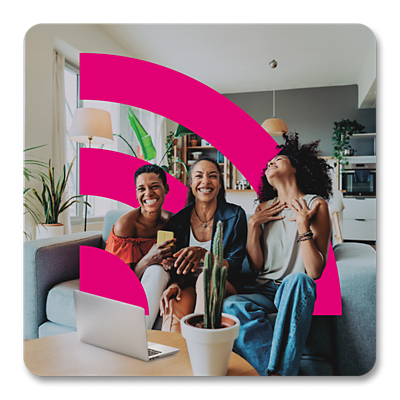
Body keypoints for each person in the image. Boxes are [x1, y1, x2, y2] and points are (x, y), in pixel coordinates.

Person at [223, 132, 333, 376]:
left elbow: (314, 271)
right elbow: (256, 267)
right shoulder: (263, 208)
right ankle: (274, 375)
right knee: (230, 305)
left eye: (279, 160)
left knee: (299, 279)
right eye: (268, 164)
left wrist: (303, 225)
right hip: (264, 289)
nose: (270, 164)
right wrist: (253, 225)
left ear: (295, 168)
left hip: (294, 289)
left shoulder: (316, 205)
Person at [159, 156, 247, 333]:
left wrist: (205, 255)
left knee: (205, 278)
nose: (205, 181)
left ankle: (200, 339)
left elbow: (236, 265)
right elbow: (173, 265)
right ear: (191, 183)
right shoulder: (176, 222)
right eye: (199, 176)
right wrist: (174, 283)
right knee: (173, 306)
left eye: (212, 176)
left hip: (223, 283)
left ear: (220, 183)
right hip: (187, 283)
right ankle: (171, 358)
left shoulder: (236, 215)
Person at [105, 164, 176, 329]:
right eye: (141, 189)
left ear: (166, 188)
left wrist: (171, 264)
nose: (148, 193)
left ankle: (135, 336)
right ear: (136, 193)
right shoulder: (125, 226)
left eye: (155, 187)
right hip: (125, 285)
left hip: (159, 281)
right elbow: (117, 283)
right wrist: (148, 259)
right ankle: (135, 336)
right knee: (155, 269)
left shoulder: (173, 222)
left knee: (159, 270)